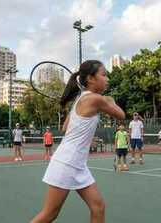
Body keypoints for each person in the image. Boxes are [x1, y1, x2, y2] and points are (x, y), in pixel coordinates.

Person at [31, 60, 125, 223]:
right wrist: (110, 100)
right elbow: (121, 115)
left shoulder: (81, 100)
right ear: (90, 78)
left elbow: (66, 128)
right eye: (103, 75)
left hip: (77, 164)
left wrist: (86, 139)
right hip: (67, 162)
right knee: (49, 214)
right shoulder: (95, 99)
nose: (107, 79)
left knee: (98, 207)